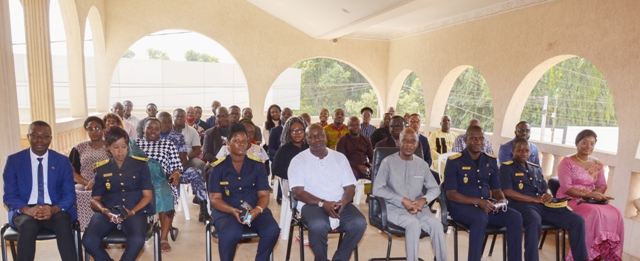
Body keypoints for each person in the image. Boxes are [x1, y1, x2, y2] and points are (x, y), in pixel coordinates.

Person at [500, 138, 588, 261]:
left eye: (527, 150)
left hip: (542, 205)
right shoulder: (506, 168)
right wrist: (533, 199)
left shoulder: (535, 168)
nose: (524, 153)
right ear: (513, 151)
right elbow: (507, 192)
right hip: (521, 205)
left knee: (577, 220)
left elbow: (544, 187)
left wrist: (548, 194)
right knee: (534, 220)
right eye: (520, 150)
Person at [288, 124, 367, 261]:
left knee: (359, 223)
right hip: (311, 204)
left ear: (325, 137)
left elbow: (350, 187)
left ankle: (340, 259)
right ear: (306, 140)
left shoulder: (339, 158)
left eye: (320, 135)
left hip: (338, 202)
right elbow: (298, 192)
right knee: (318, 225)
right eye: (311, 137)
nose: (317, 139)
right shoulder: (298, 160)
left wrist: (343, 202)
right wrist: (322, 203)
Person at [444, 125, 523, 261]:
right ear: (465, 139)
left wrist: (501, 200)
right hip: (461, 208)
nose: (478, 142)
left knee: (515, 217)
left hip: (487, 207)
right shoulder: (454, 161)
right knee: (480, 218)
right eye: (473, 138)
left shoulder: (490, 160)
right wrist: (478, 202)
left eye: (481, 138)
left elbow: (497, 189)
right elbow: (451, 194)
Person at [3, 121, 78, 261]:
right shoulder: (14, 161)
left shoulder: (62, 161)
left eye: (44, 136)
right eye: (35, 135)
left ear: (50, 139)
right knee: (27, 225)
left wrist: (54, 209)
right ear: (28, 136)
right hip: (25, 211)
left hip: (55, 209)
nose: (39, 140)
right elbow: (9, 195)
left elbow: (69, 194)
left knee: (63, 223)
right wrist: (27, 210)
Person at [373, 128, 447, 261]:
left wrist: (423, 200)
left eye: (413, 141)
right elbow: (377, 189)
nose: (409, 144)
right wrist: (402, 200)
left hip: (419, 209)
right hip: (394, 208)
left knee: (437, 225)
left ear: (417, 144)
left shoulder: (422, 165)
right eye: (405, 141)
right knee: (413, 224)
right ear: (398, 143)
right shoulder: (388, 163)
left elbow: (435, 189)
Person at [208, 124, 280, 261]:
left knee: (272, 230)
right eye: (237, 141)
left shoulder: (257, 166)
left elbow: (264, 195)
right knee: (230, 233)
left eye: (244, 141)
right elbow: (215, 199)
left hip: (254, 208)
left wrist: (258, 210)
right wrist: (232, 210)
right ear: (228, 143)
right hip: (226, 211)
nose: (241, 144)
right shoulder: (218, 169)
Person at [82, 126, 154, 261]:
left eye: (124, 146)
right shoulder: (101, 168)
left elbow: (147, 196)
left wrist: (131, 212)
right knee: (89, 240)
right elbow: (94, 199)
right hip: (108, 212)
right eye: (116, 147)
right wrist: (105, 211)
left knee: (137, 240)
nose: (120, 151)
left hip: (134, 211)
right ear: (107, 147)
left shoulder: (140, 165)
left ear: (128, 146)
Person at [556, 129, 623, 261]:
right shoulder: (566, 162)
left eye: (592, 143)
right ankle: (584, 255)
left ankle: (601, 252)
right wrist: (589, 195)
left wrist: (595, 195)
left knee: (616, 213)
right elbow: (566, 187)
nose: (588, 146)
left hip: (591, 200)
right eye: (585, 142)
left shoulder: (597, 164)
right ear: (577, 143)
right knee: (594, 213)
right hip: (570, 199)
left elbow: (602, 185)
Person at [134, 117, 183, 252]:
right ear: (143, 129)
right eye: (149, 127)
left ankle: (163, 238)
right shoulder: (135, 143)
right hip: (137, 181)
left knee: (166, 195)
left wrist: (177, 174)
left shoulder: (168, 144)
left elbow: (177, 166)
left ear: (160, 130)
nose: (153, 131)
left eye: (156, 128)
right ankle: (134, 235)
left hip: (160, 180)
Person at [158, 112, 210, 223]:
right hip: (156, 174)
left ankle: (204, 210)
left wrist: (175, 172)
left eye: (169, 122)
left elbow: (183, 160)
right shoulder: (152, 136)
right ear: (158, 122)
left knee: (195, 172)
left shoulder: (177, 137)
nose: (167, 125)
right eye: (164, 122)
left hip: (176, 171)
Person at [69, 116, 110, 231]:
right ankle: (86, 227)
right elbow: (71, 171)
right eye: (90, 129)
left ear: (103, 129)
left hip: (107, 181)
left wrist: (97, 182)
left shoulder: (111, 146)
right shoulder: (79, 147)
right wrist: (88, 182)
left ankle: (104, 229)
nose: (94, 131)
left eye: (97, 128)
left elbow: (116, 166)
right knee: (76, 192)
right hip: (84, 183)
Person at [336, 116, 373, 180]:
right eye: (352, 125)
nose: (355, 127)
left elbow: (372, 156)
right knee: (353, 175)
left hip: (364, 166)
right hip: (349, 167)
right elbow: (341, 159)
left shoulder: (366, 140)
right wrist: (358, 166)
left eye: (357, 125)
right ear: (347, 127)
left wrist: (370, 166)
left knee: (375, 173)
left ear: (360, 126)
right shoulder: (342, 141)